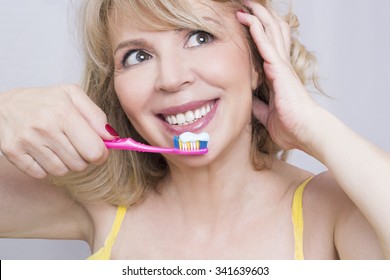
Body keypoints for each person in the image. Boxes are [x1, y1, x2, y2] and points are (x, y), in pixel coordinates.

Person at [0, 0, 389, 260]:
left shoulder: (335, 208)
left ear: (258, 61)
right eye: (138, 56)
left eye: (199, 37)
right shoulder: (95, 202)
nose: (171, 79)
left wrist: (313, 125)